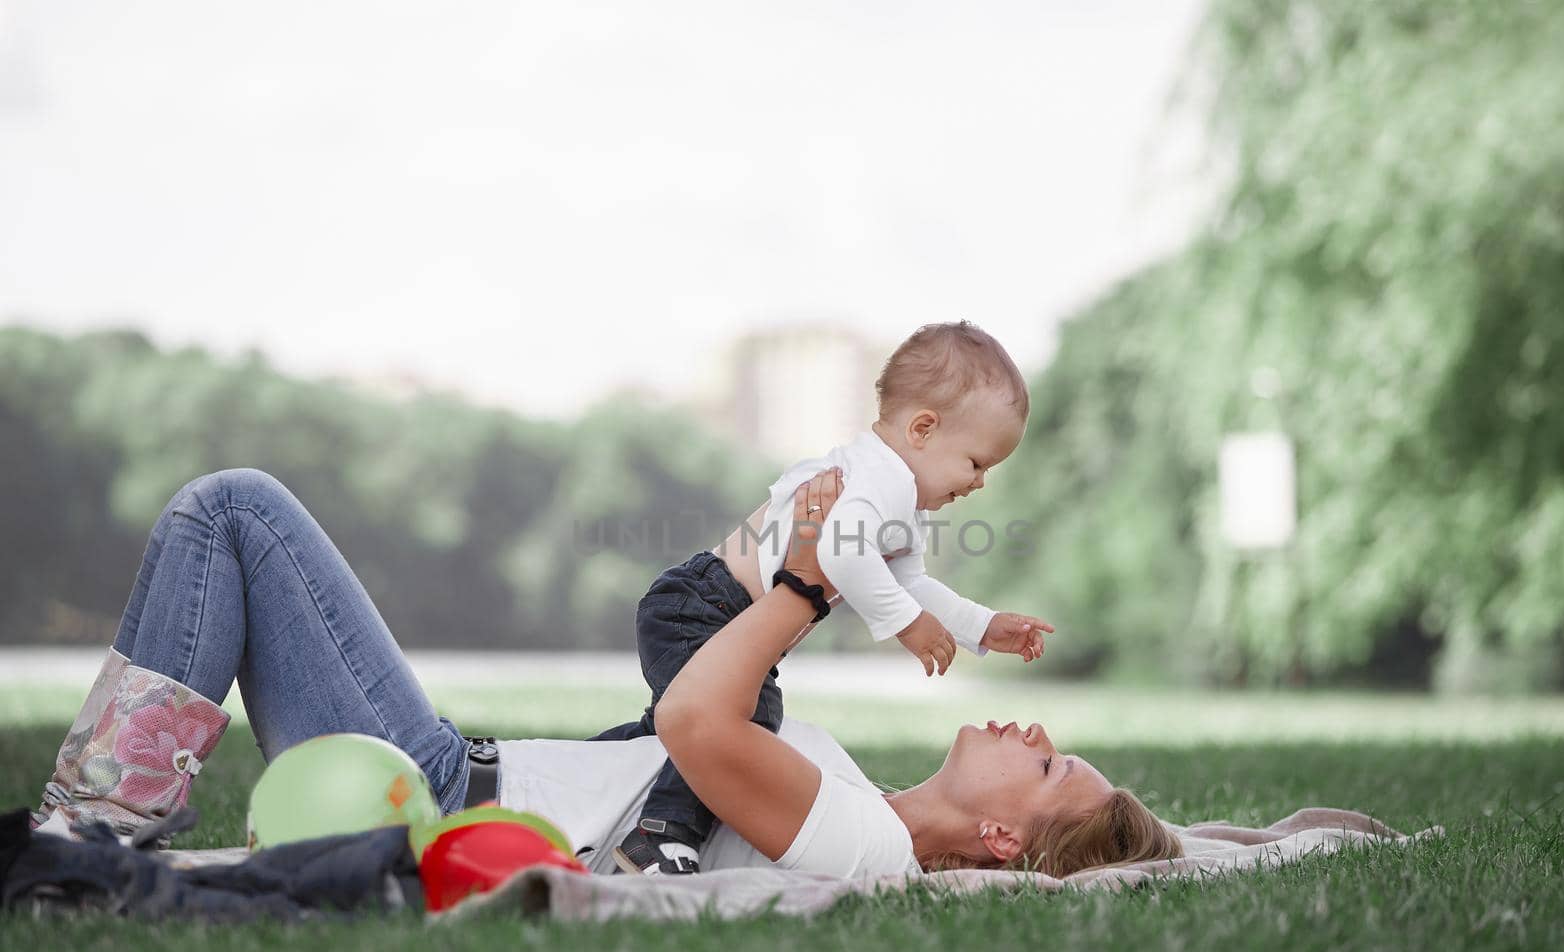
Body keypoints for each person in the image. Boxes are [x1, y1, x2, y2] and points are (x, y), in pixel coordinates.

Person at [31, 466, 1181, 880]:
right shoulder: (855, 800)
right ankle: (94, 822)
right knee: (233, 510)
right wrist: (770, 566)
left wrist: (803, 589)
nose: (1032, 732)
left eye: (1051, 765)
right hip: (443, 768)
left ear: (998, 844)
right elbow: (692, 703)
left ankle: (89, 833)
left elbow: (691, 716)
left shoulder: (867, 845)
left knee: (237, 508)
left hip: (434, 793)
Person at [600, 320, 1059, 876]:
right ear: (923, 429)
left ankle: (591, 765)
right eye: (976, 463)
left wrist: (982, 627)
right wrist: (907, 626)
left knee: (670, 736)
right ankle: (661, 839)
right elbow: (840, 556)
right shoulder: (878, 480)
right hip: (703, 607)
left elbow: (909, 581)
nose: (980, 482)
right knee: (748, 716)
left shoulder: (901, 501)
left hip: (722, 615)